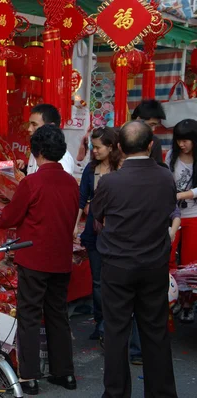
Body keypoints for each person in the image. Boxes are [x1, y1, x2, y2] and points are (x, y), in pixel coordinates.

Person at [92, 120, 177, 398]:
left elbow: (98, 216)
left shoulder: (110, 181)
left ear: (118, 147)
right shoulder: (165, 177)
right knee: (155, 331)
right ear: (151, 146)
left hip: (118, 263)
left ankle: (116, 393)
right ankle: (162, 393)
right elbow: (167, 212)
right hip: (153, 262)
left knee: (117, 332)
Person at [0, 125, 79, 395]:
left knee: (30, 315)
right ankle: (65, 373)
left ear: (38, 151)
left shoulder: (31, 182)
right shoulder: (70, 182)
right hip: (61, 257)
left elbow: (10, 217)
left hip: (34, 257)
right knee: (57, 314)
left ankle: (29, 377)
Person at [74, 127, 121, 341]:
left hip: (117, 232)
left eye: (98, 147)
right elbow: (81, 199)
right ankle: (100, 321)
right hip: (94, 230)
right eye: (93, 147)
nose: (94, 151)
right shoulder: (90, 169)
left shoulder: (120, 168)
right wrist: (76, 226)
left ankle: (112, 322)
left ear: (111, 147)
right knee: (97, 280)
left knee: (114, 280)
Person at [165, 118, 197, 323]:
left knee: (190, 263)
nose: (181, 144)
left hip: (194, 216)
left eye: (186, 140)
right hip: (171, 215)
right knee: (167, 257)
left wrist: (180, 195)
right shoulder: (171, 156)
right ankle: (170, 298)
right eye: (178, 140)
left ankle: (188, 303)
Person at [16, 104, 75, 175]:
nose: (29, 129)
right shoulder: (37, 149)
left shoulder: (63, 159)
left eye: (34, 125)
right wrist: (23, 169)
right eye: (29, 124)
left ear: (51, 126)